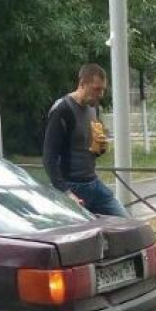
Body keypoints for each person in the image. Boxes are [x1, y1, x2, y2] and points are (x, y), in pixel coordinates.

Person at [42, 63, 128, 217]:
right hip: (72, 187)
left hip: (93, 183)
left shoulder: (93, 108)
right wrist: (66, 193)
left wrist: (101, 147)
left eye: (103, 89)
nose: (100, 94)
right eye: (96, 89)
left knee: (127, 224)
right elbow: (49, 158)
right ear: (82, 84)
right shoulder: (62, 110)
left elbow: (91, 150)